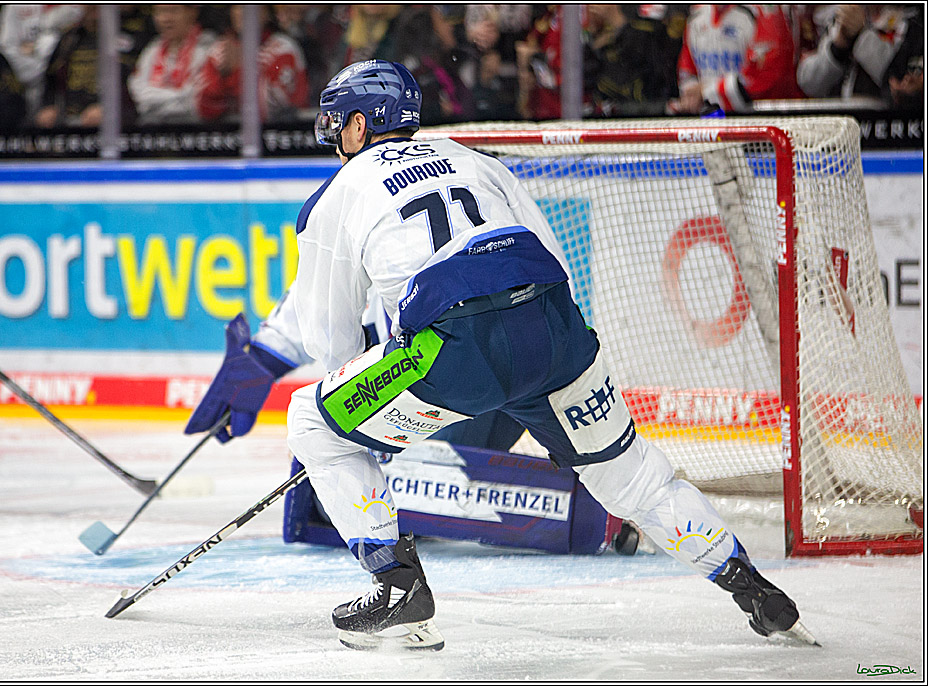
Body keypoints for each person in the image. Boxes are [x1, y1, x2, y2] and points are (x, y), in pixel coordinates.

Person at [198, 59, 816, 651]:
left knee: (315, 422)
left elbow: (328, 344)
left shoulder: (336, 195)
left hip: (453, 351)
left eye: (336, 126)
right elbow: (552, 259)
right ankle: (749, 585)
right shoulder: (479, 162)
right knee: (626, 474)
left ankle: (396, 584)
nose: (334, 141)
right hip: (554, 333)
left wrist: (361, 415)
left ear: (358, 125)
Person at [669, 4, 804, 114]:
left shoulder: (766, 12)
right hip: (715, 120)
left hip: (767, 121)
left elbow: (762, 78)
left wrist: (705, 93)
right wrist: (691, 96)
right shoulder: (696, 15)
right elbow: (687, 71)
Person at [796, 4, 924, 107]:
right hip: (842, 126)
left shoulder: (916, 22)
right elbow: (809, 83)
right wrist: (838, 47)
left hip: (888, 126)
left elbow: (901, 82)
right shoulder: (846, 15)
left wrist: (861, 35)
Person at [127, 5, 216, 125]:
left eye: (173, 11)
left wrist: (155, 101)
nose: (166, 19)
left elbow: (196, 99)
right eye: (160, 12)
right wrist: (178, 96)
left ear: (192, 12)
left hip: (196, 129)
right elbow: (140, 96)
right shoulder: (152, 49)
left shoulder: (209, 47)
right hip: (152, 129)